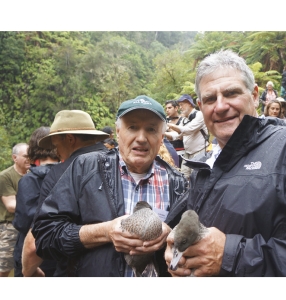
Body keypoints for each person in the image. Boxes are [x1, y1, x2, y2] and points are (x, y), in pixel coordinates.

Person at [165, 49, 286, 277]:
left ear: (255, 95)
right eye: (210, 99)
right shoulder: (203, 165)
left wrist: (230, 255)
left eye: (231, 93)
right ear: (200, 106)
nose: (220, 106)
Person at [32, 95, 188, 277]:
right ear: (118, 131)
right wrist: (105, 232)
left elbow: (190, 246)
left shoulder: (178, 183)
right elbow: (45, 236)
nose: (141, 138)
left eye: (151, 129)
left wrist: (170, 236)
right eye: (133, 127)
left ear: (161, 137)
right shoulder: (85, 168)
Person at [21, 110, 109, 277]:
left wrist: (28, 271)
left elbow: (34, 243)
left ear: (70, 139)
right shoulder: (123, 165)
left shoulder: (60, 174)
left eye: (56, 145)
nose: (56, 152)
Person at [12, 127, 60, 277]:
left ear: (33, 148)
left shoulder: (29, 180)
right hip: (60, 252)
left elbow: (23, 221)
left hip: (31, 254)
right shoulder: (70, 175)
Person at [0, 143, 30, 277]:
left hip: (29, 224)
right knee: (4, 267)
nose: (28, 159)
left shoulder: (33, 174)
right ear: (14, 158)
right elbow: (11, 206)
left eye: (30, 156)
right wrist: (35, 206)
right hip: (10, 227)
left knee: (29, 265)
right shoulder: (5, 176)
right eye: (25, 156)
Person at [167, 94, 209, 180]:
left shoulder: (200, 115)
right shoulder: (185, 119)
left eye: (182, 105)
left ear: (189, 103)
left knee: (197, 178)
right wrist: (162, 133)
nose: (180, 107)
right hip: (187, 153)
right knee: (183, 178)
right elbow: (177, 135)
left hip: (199, 152)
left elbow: (187, 130)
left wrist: (168, 125)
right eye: (179, 105)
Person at [164, 100, 185, 166]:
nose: (167, 110)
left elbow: (183, 135)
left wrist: (170, 129)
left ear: (176, 108)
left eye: (169, 108)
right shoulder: (165, 120)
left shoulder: (183, 120)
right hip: (167, 153)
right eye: (166, 108)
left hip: (182, 152)